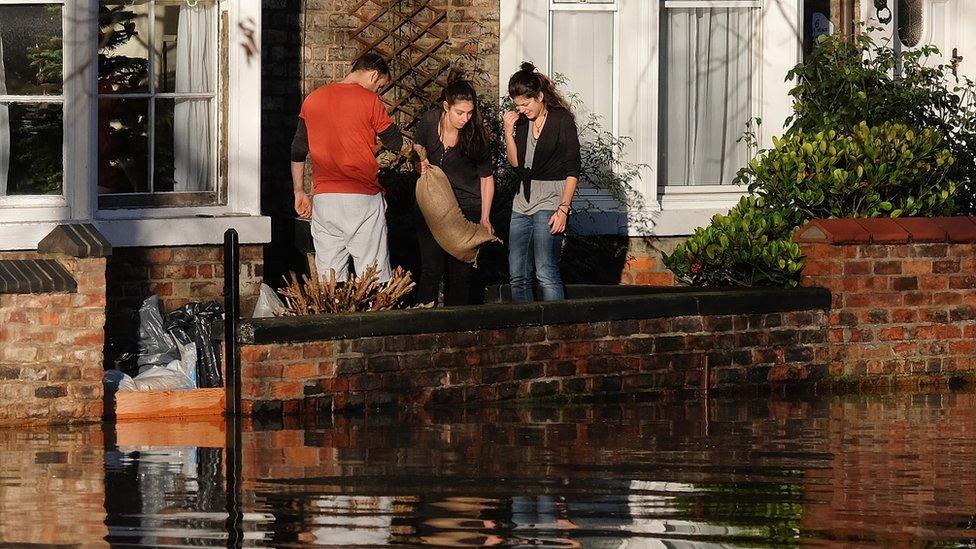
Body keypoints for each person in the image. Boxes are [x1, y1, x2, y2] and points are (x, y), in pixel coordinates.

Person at [290, 51, 403, 282]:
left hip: (325, 200)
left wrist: (299, 191)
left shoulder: (313, 99)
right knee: (373, 276)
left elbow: (298, 149)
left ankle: (334, 316)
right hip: (362, 199)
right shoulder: (370, 100)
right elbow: (396, 142)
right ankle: (373, 318)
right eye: (380, 86)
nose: (378, 92)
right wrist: (416, 152)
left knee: (330, 280)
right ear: (373, 75)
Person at [502, 62, 581, 302]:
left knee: (546, 272)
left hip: (551, 200)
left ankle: (555, 331)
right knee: (517, 276)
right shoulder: (523, 122)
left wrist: (564, 209)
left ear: (540, 96)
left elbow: (573, 168)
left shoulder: (561, 120)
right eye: (517, 105)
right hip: (522, 201)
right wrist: (508, 131)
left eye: (526, 104)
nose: (522, 109)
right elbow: (516, 163)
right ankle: (526, 330)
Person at [412, 80, 495, 306]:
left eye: (469, 113)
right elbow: (416, 150)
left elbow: (486, 178)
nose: (465, 118)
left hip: (466, 207)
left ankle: (456, 329)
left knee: (460, 273)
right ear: (446, 107)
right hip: (433, 205)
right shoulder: (429, 122)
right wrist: (418, 163)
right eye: (460, 112)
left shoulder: (476, 133)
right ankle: (423, 328)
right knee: (431, 268)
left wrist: (485, 217)